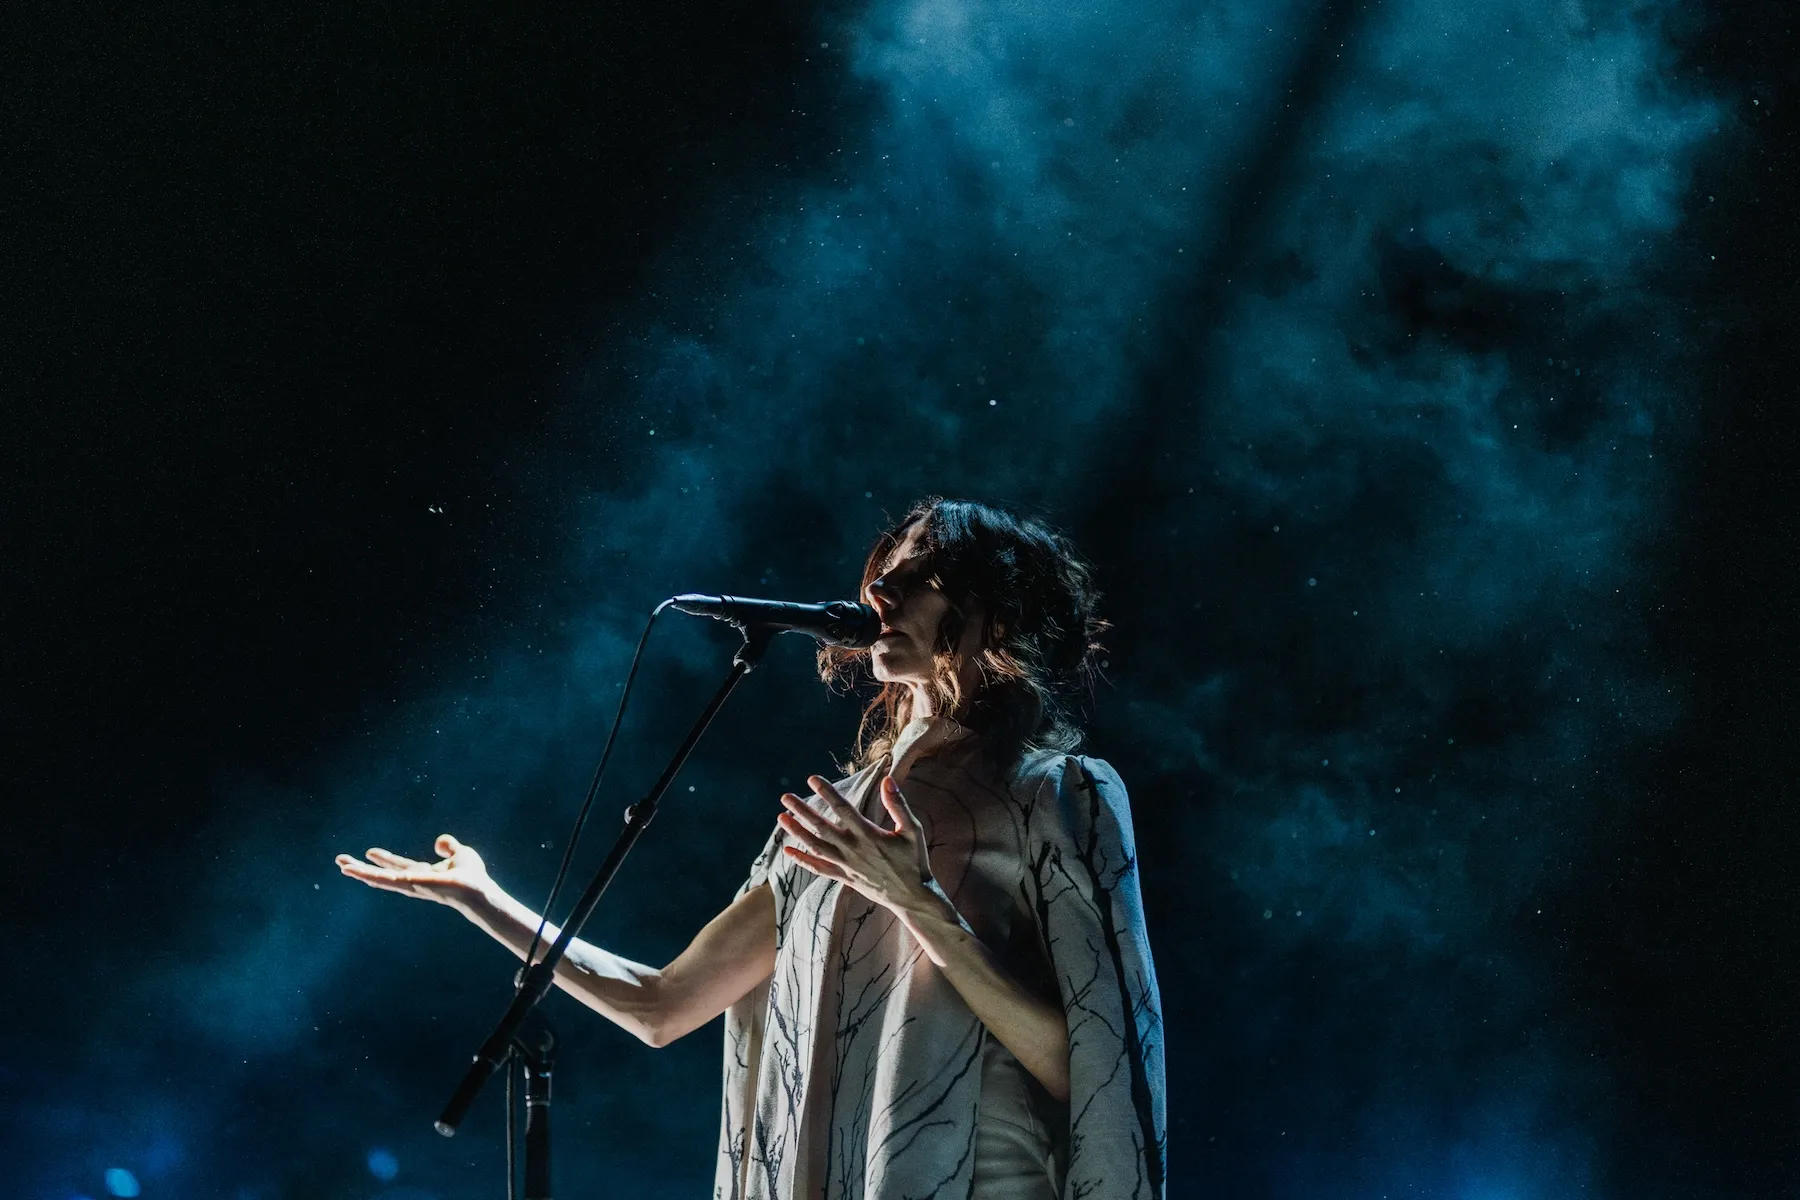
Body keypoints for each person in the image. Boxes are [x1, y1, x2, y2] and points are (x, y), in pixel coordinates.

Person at [337, 498, 1166, 1199]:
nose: (881, 587)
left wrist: (918, 902)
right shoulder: (826, 821)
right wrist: (487, 900)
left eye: (920, 574)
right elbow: (662, 1006)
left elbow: (1092, 1069)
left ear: (997, 611)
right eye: (885, 570)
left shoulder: (1060, 793)